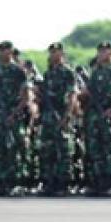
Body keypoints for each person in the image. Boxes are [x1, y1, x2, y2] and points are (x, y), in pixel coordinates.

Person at [83, 41, 111, 196]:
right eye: (100, 51)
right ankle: (98, 182)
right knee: (96, 149)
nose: (102, 54)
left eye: (105, 51)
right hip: (95, 114)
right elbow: (88, 92)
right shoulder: (95, 72)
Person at [39, 42, 79, 197]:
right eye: (51, 52)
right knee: (47, 149)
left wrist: (67, 115)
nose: (53, 54)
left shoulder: (68, 72)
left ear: (62, 54)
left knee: (63, 150)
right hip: (49, 116)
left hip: (62, 115)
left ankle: (63, 183)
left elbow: (72, 95)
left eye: (56, 52)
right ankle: (50, 182)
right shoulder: (48, 74)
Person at [0, 40, 32, 196]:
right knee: (1, 149)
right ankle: (2, 182)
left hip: (14, 115)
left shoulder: (18, 71)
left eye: (6, 49)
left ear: (11, 51)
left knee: (14, 148)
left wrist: (14, 114)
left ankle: (15, 182)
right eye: (1, 49)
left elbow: (26, 97)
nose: (3, 52)